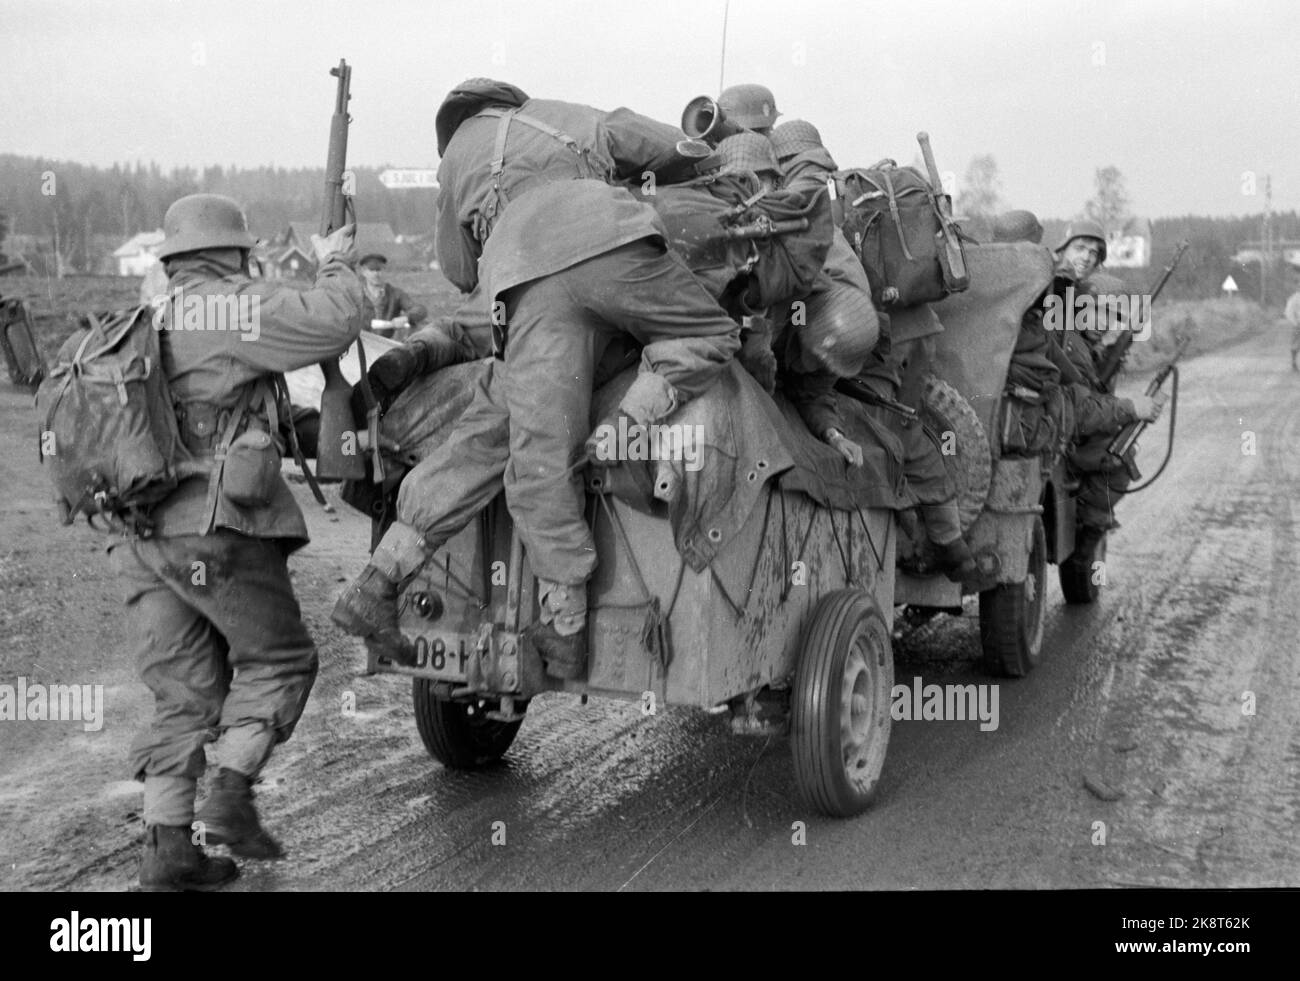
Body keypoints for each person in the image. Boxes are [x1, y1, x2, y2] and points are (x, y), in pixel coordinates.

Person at [332, 79, 741, 681]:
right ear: (509, 101)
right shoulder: (562, 114)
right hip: (612, 247)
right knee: (715, 331)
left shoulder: (456, 163)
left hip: (524, 288)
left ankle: (381, 581)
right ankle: (634, 416)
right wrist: (708, 154)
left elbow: (457, 269)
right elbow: (674, 147)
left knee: (514, 430)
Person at [117, 192, 364, 890]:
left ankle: (170, 851)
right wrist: (336, 262)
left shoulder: (153, 315)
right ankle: (230, 790)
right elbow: (336, 322)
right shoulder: (229, 307)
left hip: (141, 533)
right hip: (214, 528)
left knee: (185, 692)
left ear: (173, 256)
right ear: (232, 253)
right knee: (280, 659)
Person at [770, 118, 973, 578]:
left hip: (875, 334)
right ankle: (941, 537)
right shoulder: (836, 196)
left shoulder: (808, 207)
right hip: (906, 327)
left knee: (891, 428)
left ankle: (943, 543)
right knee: (902, 421)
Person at [1040, 221, 1161, 557]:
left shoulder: (1074, 324)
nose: (1088, 257)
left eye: (1095, 253)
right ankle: (1089, 531)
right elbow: (1082, 408)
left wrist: (1109, 360)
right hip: (1061, 427)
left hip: (1063, 419)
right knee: (1119, 458)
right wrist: (1129, 407)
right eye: (1081, 248)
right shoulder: (1059, 310)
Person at [358, 252, 428, 337]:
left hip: (387, 343)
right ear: (363, 272)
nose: (376, 274)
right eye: (372, 270)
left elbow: (420, 310)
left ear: (384, 271)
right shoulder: (355, 294)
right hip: (361, 342)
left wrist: (406, 318)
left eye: (379, 270)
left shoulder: (395, 294)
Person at [1285, 277, 1300, 371]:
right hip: (1298, 324)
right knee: (1295, 343)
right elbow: (1289, 311)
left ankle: (1294, 362)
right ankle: (1294, 362)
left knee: (1295, 343)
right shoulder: (1294, 298)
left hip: (1297, 324)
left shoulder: (1294, 298)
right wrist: (1295, 322)